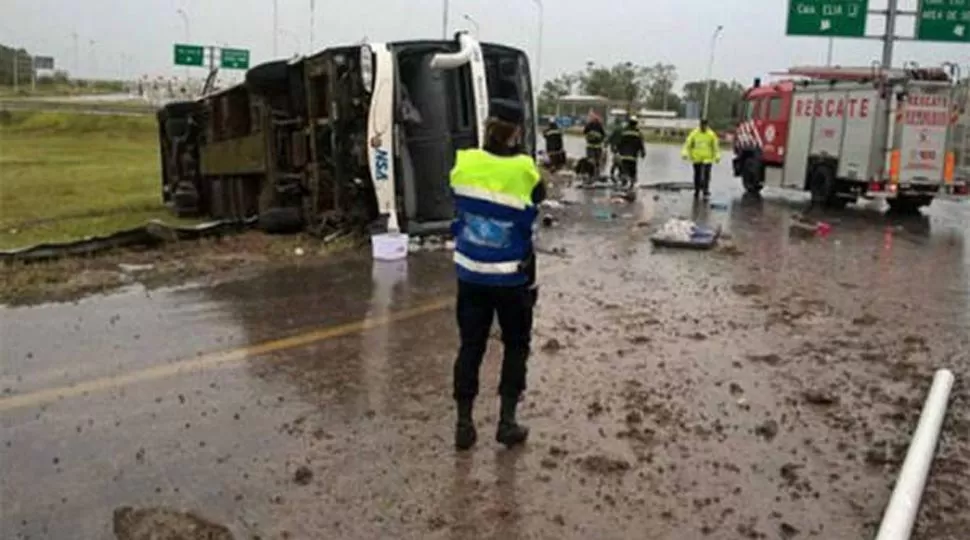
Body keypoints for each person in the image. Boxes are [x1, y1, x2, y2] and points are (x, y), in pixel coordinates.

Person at [450, 99, 546, 451]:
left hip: (471, 273)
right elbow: (538, 196)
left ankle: (463, 424)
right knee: (516, 345)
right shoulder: (524, 168)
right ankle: (506, 421)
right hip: (511, 278)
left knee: (470, 346)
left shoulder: (464, 161)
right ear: (516, 132)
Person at [681, 118, 721, 199]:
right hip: (697, 158)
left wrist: (717, 156)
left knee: (707, 175)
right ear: (700, 125)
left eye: (705, 126)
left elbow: (715, 147)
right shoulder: (694, 133)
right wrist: (684, 153)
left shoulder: (711, 134)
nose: (703, 127)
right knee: (697, 175)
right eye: (702, 125)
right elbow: (688, 144)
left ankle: (705, 190)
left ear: (707, 126)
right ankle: (697, 190)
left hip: (707, 159)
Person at [615, 117, 646, 188]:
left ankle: (623, 184)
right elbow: (641, 144)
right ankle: (632, 185)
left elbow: (619, 142)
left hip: (624, 156)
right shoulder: (638, 133)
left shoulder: (624, 132)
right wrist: (643, 152)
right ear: (636, 124)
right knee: (633, 172)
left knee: (624, 171)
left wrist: (617, 150)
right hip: (633, 157)